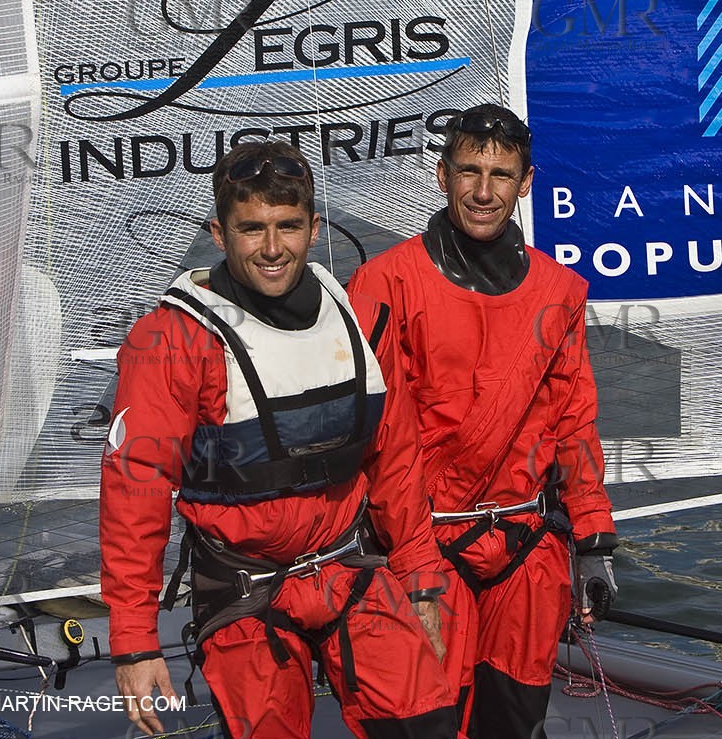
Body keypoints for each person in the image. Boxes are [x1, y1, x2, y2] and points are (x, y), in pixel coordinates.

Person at [100, 141, 458, 739]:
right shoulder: (171, 340)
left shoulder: (364, 318)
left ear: (315, 229)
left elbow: (395, 458)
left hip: (351, 569)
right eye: (252, 229)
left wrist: (420, 572)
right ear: (219, 232)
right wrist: (135, 640)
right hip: (246, 591)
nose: (272, 249)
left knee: (429, 726)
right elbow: (135, 488)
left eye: (288, 227)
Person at [346, 103, 618, 739]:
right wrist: (404, 554)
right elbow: (370, 435)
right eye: (469, 171)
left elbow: (574, 423)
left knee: (513, 718)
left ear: (525, 184)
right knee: (428, 724)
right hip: (422, 545)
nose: (483, 190)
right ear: (442, 176)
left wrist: (594, 541)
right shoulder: (386, 283)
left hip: (525, 544)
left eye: (501, 175)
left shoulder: (559, 292)